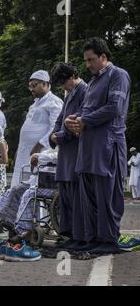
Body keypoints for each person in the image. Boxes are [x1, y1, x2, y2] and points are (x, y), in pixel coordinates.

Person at [65, 37, 131, 254]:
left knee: (107, 194)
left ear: (104, 57)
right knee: (89, 196)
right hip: (89, 146)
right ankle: (92, 238)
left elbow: (114, 107)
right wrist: (74, 119)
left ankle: (109, 239)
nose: (87, 64)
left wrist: (85, 120)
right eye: (85, 60)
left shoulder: (117, 75)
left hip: (107, 144)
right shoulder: (93, 82)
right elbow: (86, 109)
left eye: (91, 59)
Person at [49, 62, 88, 248]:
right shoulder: (70, 94)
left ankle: (78, 236)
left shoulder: (84, 91)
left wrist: (61, 135)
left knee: (76, 195)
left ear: (72, 76)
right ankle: (67, 233)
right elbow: (60, 119)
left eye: (64, 82)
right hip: (65, 152)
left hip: (76, 150)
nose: (63, 87)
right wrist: (53, 135)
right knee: (65, 194)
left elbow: (78, 120)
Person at [11, 70, 63, 187]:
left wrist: (40, 144)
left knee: (34, 187)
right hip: (24, 152)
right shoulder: (34, 105)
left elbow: (56, 127)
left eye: (34, 85)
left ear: (44, 84)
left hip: (41, 151)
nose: (31, 89)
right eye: (30, 86)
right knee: (18, 185)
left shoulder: (54, 102)